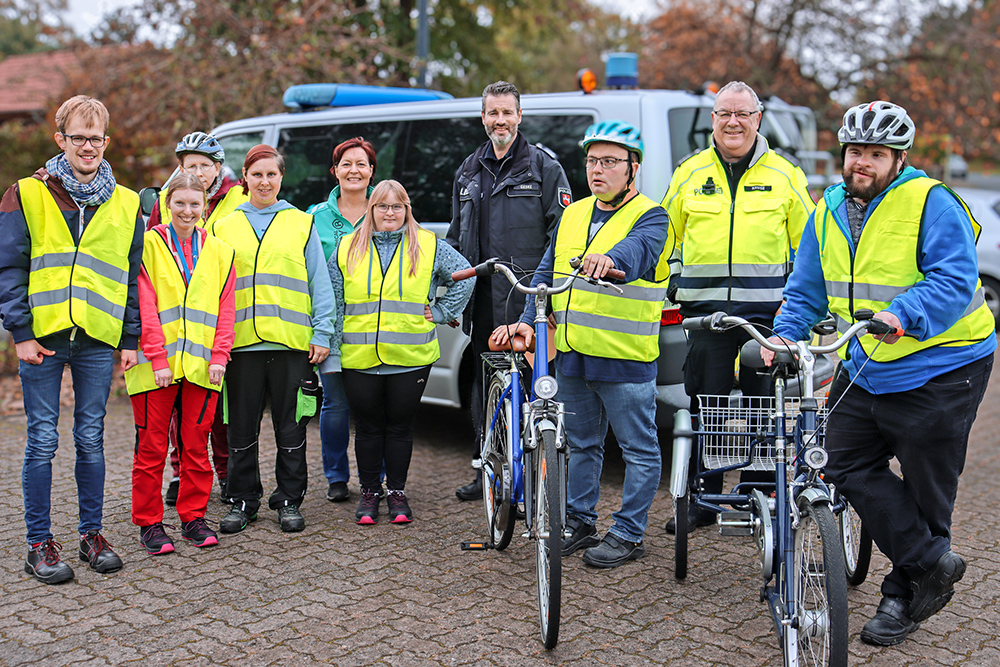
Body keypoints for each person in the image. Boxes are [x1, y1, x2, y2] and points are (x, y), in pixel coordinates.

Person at [763, 101, 995, 646]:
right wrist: (783, 336)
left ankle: (900, 599)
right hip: (865, 364)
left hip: (942, 367)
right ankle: (932, 561)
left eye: (874, 153)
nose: (860, 163)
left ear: (898, 158)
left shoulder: (932, 202)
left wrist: (903, 313)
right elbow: (805, 291)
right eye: (853, 151)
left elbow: (956, 278)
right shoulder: (828, 209)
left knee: (926, 488)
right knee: (839, 460)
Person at [493, 121, 672, 568]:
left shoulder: (652, 215)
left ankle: (629, 534)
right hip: (572, 354)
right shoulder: (573, 212)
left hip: (624, 359)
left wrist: (610, 261)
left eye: (610, 162)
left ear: (633, 167)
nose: (598, 170)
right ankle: (579, 521)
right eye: (593, 161)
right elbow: (545, 272)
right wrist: (527, 321)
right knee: (581, 444)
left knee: (639, 450)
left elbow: (638, 252)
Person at [0, 95, 143, 583]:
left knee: (91, 438)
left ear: (106, 141)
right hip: (42, 338)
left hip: (98, 341)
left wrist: (129, 337)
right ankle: (38, 544)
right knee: (41, 439)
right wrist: (19, 332)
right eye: (77, 137)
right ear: (60, 139)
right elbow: (10, 268)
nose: (87, 146)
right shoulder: (26, 192)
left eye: (95, 137)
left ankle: (91, 535)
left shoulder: (127, 203)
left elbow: (128, 276)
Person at [661, 80, 814, 533]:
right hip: (706, 315)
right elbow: (666, 234)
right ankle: (701, 502)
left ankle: (757, 497)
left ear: (758, 120)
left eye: (742, 114)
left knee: (762, 407)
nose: (733, 122)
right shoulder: (689, 171)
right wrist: (673, 278)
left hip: (765, 319)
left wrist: (802, 303)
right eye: (724, 113)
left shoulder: (785, 175)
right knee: (704, 406)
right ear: (712, 120)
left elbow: (809, 248)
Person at [447, 80, 571, 502]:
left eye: (507, 112)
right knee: (487, 389)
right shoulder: (468, 169)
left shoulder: (544, 169)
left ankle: (539, 475)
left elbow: (562, 236)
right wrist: (448, 294)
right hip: (482, 302)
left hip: (528, 302)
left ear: (519, 116)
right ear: (483, 117)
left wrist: (548, 297)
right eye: (492, 113)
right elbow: (454, 240)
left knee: (537, 391)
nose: (500, 120)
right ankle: (490, 469)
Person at [208, 144, 335, 534]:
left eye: (272, 174)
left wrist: (323, 331)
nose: (264, 181)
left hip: (290, 345)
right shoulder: (223, 225)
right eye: (257, 174)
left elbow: (320, 282)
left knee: (291, 430)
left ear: (282, 178)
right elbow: (208, 287)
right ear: (244, 178)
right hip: (241, 346)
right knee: (240, 429)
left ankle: (289, 501)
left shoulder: (301, 223)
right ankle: (243, 501)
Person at [331, 179, 474, 525]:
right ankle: (369, 493)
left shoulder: (427, 245)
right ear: (371, 210)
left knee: (399, 428)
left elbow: (466, 276)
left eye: (397, 206)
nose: (389, 213)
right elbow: (335, 302)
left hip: (410, 359)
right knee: (366, 428)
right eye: (382, 206)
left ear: (406, 210)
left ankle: (396, 492)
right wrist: (333, 350)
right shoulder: (348, 246)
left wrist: (441, 312)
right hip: (359, 357)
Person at [125, 174, 236, 554]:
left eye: (195, 203)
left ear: (205, 206)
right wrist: (157, 357)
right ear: (167, 204)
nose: (187, 211)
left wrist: (220, 355)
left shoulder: (221, 251)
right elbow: (144, 305)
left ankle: (193, 517)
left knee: (195, 447)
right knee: (152, 448)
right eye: (180, 203)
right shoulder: (148, 245)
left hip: (203, 366)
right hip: (155, 366)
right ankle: (150, 523)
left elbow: (226, 309)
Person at [149, 132, 247, 507]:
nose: (199, 172)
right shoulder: (165, 199)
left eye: (205, 165)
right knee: (179, 410)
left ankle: (222, 472)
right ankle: (180, 472)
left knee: (217, 409)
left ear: (218, 168)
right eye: (190, 165)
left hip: (219, 320)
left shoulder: (238, 198)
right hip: (178, 326)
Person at [306, 137, 377, 504]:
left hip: (376, 326)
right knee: (335, 405)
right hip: (331, 325)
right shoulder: (314, 216)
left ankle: (376, 475)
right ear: (335, 171)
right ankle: (336, 476)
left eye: (361, 164)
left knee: (373, 405)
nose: (354, 170)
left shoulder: (384, 210)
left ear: (371, 172)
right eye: (346, 164)